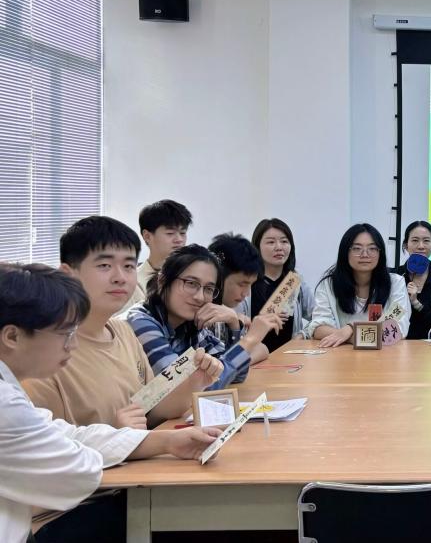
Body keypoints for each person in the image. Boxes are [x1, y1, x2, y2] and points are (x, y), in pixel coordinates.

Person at [0, 263, 221, 543]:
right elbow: (74, 470)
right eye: (64, 334)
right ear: (12, 336)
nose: (72, 345)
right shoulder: (6, 404)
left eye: (129, 265)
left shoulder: (123, 331)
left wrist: (165, 442)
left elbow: (67, 436)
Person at [23, 217, 224, 430]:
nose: (120, 277)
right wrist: (118, 433)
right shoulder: (41, 354)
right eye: (105, 265)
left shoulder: (123, 332)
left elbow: (150, 411)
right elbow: (45, 444)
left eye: (129, 266)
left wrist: (194, 382)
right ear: (68, 274)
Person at [129, 245, 283, 387]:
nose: (200, 297)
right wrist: (250, 340)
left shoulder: (192, 324)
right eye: (191, 283)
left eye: (209, 289)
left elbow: (236, 376)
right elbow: (181, 387)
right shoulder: (141, 321)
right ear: (162, 281)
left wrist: (234, 326)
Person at [307, 224, 411, 347]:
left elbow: (396, 329)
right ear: (345, 252)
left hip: (385, 355)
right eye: (357, 248)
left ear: (380, 253)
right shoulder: (328, 285)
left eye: (372, 248)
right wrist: (356, 336)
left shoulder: (396, 283)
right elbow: (318, 328)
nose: (365, 254)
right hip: (341, 355)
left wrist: (351, 329)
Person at [239, 218, 314, 352]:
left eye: (284, 241)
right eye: (271, 242)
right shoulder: (247, 283)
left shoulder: (295, 281)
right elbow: (234, 326)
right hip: (253, 358)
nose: (279, 247)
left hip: (290, 358)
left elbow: (319, 318)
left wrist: (302, 335)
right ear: (257, 246)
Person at [120, 199, 193, 315]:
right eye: (170, 233)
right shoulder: (133, 281)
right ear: (147, 236)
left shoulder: (193, 276)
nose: (179, 239)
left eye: (183, 233)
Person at [208, 233, 268, 351]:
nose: (246, 293)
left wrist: (234, 323)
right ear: (218, 276)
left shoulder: (230, 312)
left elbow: (261, 349)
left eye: (250, 285)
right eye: (242, 284)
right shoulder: (199, 316)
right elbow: (225, 359)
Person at [392, 221, 431, 339]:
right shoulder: (395, 277)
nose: (421, 246)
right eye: (415, 240)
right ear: (405, 245)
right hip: (397, 344)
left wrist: (416, 303)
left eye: (426, 240)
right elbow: (388, 318)